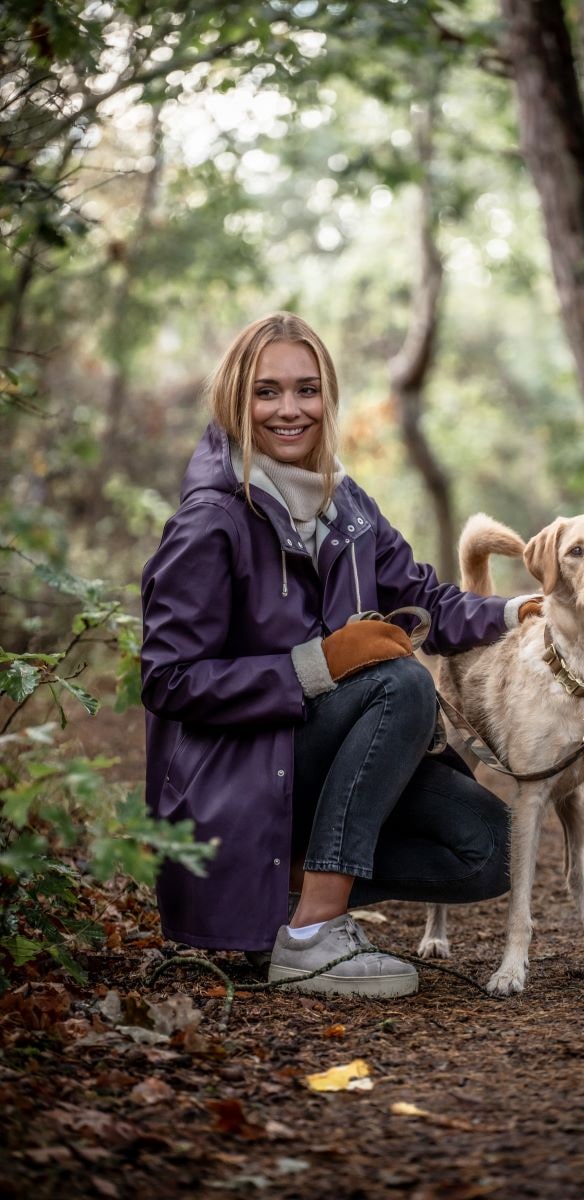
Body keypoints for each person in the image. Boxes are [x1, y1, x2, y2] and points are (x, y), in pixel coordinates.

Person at [141, 312, 535, 998]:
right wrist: (313, 665)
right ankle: (310, 935)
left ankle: (287, 881)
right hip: (234, 775)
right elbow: (169, 680)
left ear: (328, 397)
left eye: (307, 388)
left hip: (312, 770)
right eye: (267, 392)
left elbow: (427, 603)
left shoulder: (345, 505)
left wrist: (524, 613)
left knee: (485, 846)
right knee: (401, 685)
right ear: (236, 399)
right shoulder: (211, 521)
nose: (289, 410)